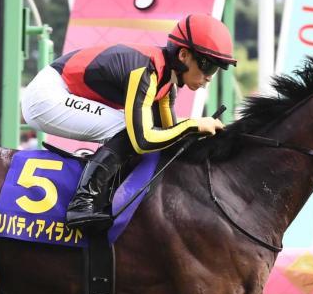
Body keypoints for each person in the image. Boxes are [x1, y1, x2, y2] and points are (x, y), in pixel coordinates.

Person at [20, 13, 234, 226]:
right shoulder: (145, 70)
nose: (209, 77)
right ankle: (81, 204)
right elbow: (143, 140)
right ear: (184, 55)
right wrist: (193, 124)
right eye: (208, 66)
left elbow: (168, 137)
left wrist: (198, 133)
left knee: (141, 128)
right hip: (46, 96)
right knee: (129, 128)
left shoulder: (167, 86)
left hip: (61, 93)